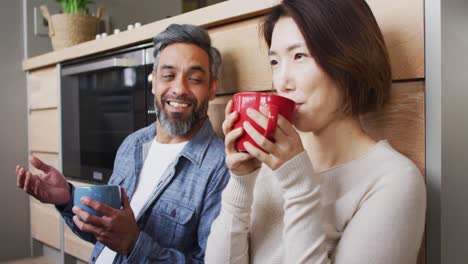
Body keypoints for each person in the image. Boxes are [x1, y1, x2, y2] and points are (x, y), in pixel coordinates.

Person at [206, 0, 426, 263]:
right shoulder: (275, 160)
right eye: (275, 62)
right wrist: (241, 181)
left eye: (299, 56)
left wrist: (300, 186)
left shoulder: (394, 180)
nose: (282, 82)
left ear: (349, 61)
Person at [16, 24, 230, 263]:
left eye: (195, 79)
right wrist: (67, 198)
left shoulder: (220, 168)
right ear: (154, 82)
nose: (179, 89)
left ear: (212, 88)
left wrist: (134, 244)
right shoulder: (133, 144)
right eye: (168, 75)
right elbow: (106, 235)